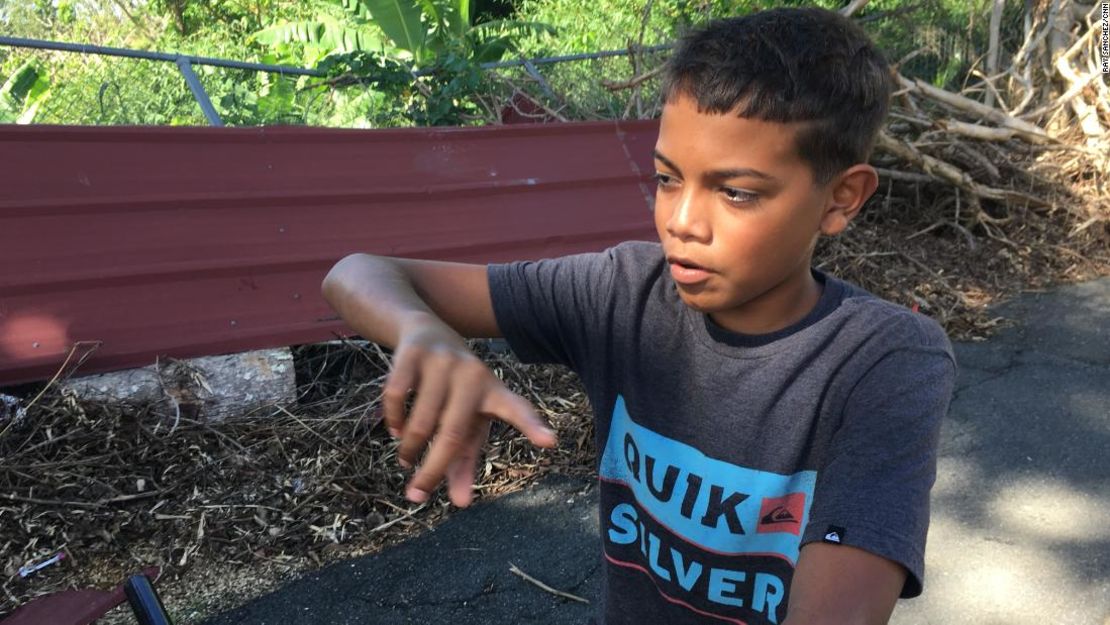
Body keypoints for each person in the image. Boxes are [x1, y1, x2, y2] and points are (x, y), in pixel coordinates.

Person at [320, 7, 958, 625]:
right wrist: (424, 331)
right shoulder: (623, 293)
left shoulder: (885, 360)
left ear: (841, 198)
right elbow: (356, 273)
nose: (681, 223)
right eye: (668, 178)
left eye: (736, 193)